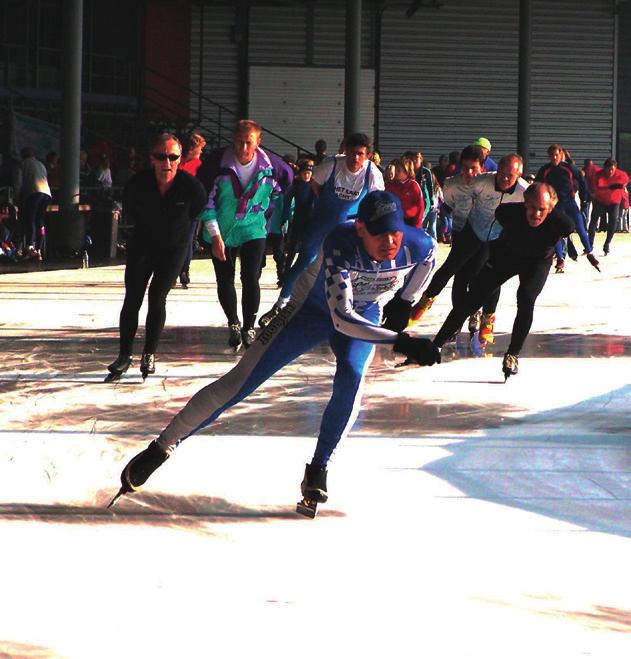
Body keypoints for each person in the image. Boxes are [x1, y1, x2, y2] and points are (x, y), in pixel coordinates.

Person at [109, 191, 439, 514]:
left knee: (352, 378)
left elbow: (429, 259)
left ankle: (318, 469)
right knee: (240, 382)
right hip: (308, 312)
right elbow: (342, 318)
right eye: (380, 234)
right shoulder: (341, 241)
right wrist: (401, 341)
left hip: (364, 314)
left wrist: (407, 299)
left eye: (395, 233)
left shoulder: (418, 243)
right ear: (360, 228)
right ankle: (161, 448)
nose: (390, 243)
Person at [431, 183, 574, 380]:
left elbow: (569, 226)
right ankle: (436, 343)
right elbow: (499, 215)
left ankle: (512, 355)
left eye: (542, 209)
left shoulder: (561, 223)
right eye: (532, 207)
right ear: (525, 204)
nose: (536, 213)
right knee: (473, 298)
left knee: (526, 298)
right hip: (508, 257)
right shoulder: (508, 213)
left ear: (551, 208)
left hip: (537, 264)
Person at [106, 133, 206, 381]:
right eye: (161, 157)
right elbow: (130, 211)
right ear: (152, 158)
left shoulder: (190, 186)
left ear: (180, 159)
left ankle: (149, 353)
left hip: (173, 249)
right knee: (133, 298)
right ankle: (124, 355)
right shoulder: (138, 184)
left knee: (157, 295)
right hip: (143, 246)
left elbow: (197, 211)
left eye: (173, 157)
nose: (167, 163)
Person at [258, 132, 384, 328]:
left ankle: (353, 309)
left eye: (360, 154)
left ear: (367, 155)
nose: (355, 158)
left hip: (350, 227)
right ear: (346, 152)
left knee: (353, 268)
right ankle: (281, 305)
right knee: (304, 262)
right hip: (323, 222)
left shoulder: (372, 173)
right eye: (352, 153)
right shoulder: (332, 164)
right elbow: (314, 183)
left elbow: (377, 201)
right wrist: (324, 204)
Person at [411, 154, 528, 343]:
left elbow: (541, 207)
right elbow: (456, 192)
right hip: (473, 231)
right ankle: (426, 300)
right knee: (452, 267)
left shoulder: (524, 191)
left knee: (492, 277)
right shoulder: (482, 181)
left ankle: (488, 319)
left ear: (519, 174)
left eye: (511, 176)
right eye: (502, 174)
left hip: (498, 237)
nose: (505, 179)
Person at [196, 120, 292, 350]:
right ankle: (233, 323)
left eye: (248, 142)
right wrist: (215, 236)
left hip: (253, 229)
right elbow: (205, 201)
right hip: (221, 228)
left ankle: (249, 326)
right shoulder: (216, 164)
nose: (243, 148)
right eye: (238, 142)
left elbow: (283, 189)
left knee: (251, 277)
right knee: (225, 278)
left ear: (258, 142)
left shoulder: (274, 166)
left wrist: (265, 215)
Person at [409, 144, 485, 321]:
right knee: (456, 273)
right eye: (465, 168)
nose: (469, 172)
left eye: (473, 168)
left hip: (483, 237)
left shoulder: (489, 182)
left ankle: (477, 313)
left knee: (477, 274)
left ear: (481, 167)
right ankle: (435, 305)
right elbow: (449, 205)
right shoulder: (452, 184)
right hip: (462, 232)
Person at [535, 143, 597, 273]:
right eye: (552, 156)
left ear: (561, 155)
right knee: (557, 233)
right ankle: (560, 259)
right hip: (555, 205)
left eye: (556, 155)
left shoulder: (568, 168)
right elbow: (537, 185)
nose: (554, 158)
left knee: (580, 228)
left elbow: (581, 179)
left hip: (570, 203)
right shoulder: (545, 170)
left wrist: (584, 198)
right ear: (549, 157)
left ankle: (589, 251)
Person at [177, 132, 207, 288]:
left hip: (183, 206)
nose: (201, 152)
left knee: (185, 240)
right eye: (199, 149)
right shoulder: (198, 166)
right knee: (187, 240)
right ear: (192, 149)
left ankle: (182, 270)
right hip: (188, 207)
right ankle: (183, 270)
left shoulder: (177, 162)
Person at [283, 158, 316, 277]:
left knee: (306, 248)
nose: (306, 175)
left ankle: (302, 274)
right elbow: (287, 201)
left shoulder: (314, 185)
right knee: (292, 248)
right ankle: (285, 274)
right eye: (304, 173)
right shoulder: (296, 185)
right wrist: (285, 217)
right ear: (300, 173)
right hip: (298, 219)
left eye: (309, 173)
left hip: (311, 221)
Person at [588, 158, 629, 255]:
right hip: (600, 201)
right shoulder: (599, 175)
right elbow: (597, 187)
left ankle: (607, 244)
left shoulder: (620, 174)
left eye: (612, 169)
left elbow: (626, 180)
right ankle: (589, 244)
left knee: (613, 221)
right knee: (593, 221)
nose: (610, 172)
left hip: (614, 202)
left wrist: (622, 185)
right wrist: (611, 187)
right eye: (608, 169)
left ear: (615, 168)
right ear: (604, 168)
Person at [19, 146, 52, 262]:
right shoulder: (41, 164)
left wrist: (18, 196)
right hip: (47, 194)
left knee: (30, 219)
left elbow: (18, 182)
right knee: (40, 221)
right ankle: (39, 248)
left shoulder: (23, 163)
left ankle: (29, 247)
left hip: (34, 193)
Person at [385, 157, 424, 227]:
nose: (396, 173)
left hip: (410, 222)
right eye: (396, 170)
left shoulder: (413, 185)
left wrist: (418, 226)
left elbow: (420, 206)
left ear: (407, 171)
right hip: (394, 220)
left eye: (399, 170)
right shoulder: (390, 185)